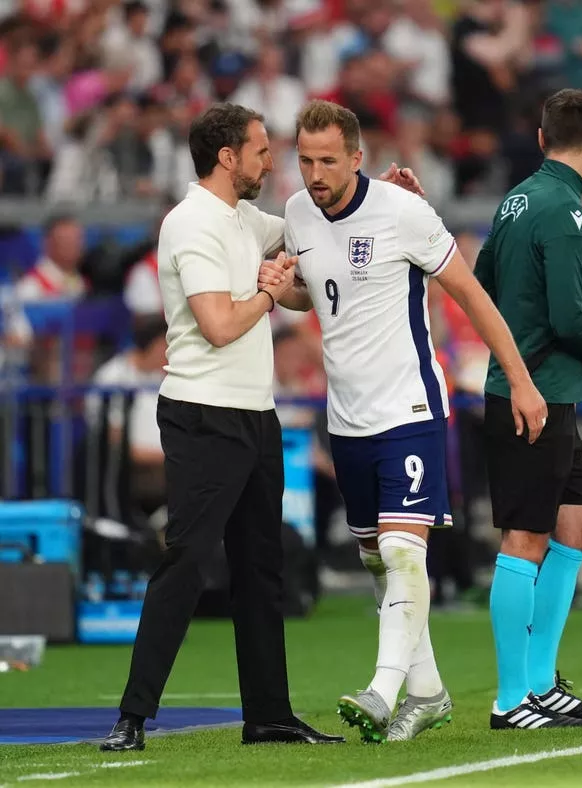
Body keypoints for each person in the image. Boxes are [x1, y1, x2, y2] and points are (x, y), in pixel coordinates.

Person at [99, 101, 424, 752]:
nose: (269, 161)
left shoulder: (245, 219)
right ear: (227, 157)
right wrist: (272, 293)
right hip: (203, 412)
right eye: (258, 150)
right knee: (188, 558)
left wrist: (380, 198)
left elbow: (318, 231)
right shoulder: (191, 224)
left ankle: (268, 717)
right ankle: (132, 717)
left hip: (255, 414)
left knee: (262, 566)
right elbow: (219, 325)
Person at [258, 99, 547, 742]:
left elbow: (471, 295)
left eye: (328, 160)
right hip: (348, 417)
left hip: (410, 407)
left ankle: (382, 691)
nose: (314, 173)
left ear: (357, 158)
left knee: (399, 550)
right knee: (380, 563)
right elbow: (318, 291)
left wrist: (521, 382)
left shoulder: (403, 212)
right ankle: (429, 691)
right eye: (304, 160)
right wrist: (284, 289)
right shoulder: (299, 215)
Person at [475, 88, 582, 730]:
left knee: (575, 529)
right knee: (525, 538)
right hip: (533, 396)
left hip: (549, 392)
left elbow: (480, 282)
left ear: (540, 139)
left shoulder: (513, 201)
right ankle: (512, 699)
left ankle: (538, 683)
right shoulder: (566, 211)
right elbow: (570, 315)